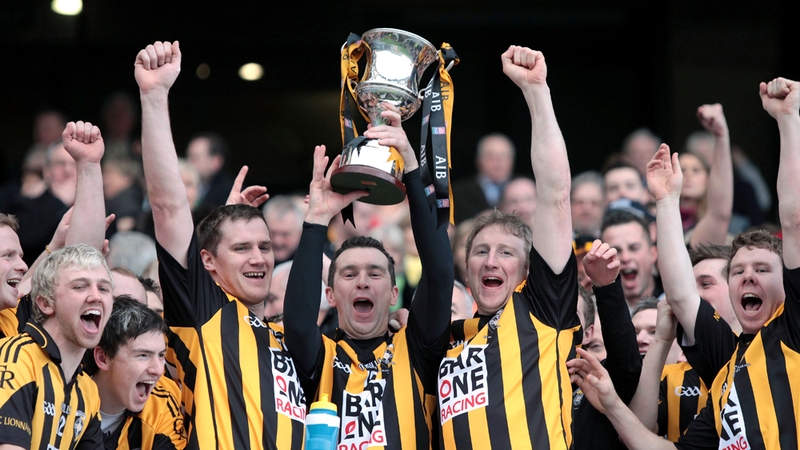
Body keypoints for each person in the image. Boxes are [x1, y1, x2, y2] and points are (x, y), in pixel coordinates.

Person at [567, 76, 800, 449]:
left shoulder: (793, 329)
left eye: (761, 269)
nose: (747, 278)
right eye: (738, 271)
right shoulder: (729, 369)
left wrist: (789, 121)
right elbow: (680, 292)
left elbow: (794, 219)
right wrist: (665, 201)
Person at [135, 40, 304, 449]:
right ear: (207, 262)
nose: (260, 256)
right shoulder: (206, 312)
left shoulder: (292, 339)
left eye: (264, 246)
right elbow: (168, 206)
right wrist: (155, 96)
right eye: (242, 248)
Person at [283, 99, 453, 449]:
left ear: (393, 294)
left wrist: (410, 165)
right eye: (348, 274)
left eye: (375, 274)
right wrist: (316, 220)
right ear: (329, 295)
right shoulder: (319, 357)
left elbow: (438, 273)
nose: (362, 281)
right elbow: (299, 325)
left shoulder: (417, 349)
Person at [437, 46, 578, 449]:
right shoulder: (447, 338)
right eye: (480, 251)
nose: (491, 261)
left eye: (506, 252)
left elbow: (555, 193)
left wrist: (537, 92)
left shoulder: (542, 308)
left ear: (530, 268)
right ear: (465, 269)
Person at [2, 120, 108, 338]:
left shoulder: (8, 315)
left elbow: (80, 260)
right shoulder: (19, 200)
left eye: (20, 256)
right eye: (8, 256)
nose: (22, 265)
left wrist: (88, 164)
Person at [0, 243, 111, 448]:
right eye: (80, 286)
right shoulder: (15, 357)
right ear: (46, 303)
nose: (96, 296)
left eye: (104, 288)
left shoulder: (87, 391)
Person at [86, 296, 185, 450]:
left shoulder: (163, 400)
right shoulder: (66, 395)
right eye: (143, 355)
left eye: (161, 355)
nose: (158, 370)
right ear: (103, 358)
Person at [601, 209, 661, 311]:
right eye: (616, 251)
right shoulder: (594, 310)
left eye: (634, 248)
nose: (625, 258)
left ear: (653, 253)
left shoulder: (672, 300)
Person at [452, 133, 515, 223]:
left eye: (503, 156)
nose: (497, 161)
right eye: (490, 156)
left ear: (512, 161)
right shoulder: (458, 193)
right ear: (478, 160)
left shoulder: (527, 188)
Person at [571, 171, 605, 238]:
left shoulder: (614, 244)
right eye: (580, 202)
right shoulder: (555, 241)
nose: (586, 208)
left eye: (594, 203)